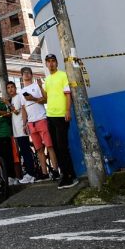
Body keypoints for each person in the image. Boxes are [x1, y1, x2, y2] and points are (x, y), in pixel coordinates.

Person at [39, 55, 79, 188]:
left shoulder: (62, 75)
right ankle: (67, 175)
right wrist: (40, 86)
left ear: (56, 63)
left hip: (62, 116)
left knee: (62, 147)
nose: (51, 64)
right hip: (50, 116)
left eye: (53, 61)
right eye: (48, 62)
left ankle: (70, 176)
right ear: (46, 64)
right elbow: (46, 98)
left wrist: (68, 110)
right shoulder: (47, 80)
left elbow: (68, 94)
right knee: (56, 147)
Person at [19, 66, 56, 181]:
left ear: (31, 74)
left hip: (42, 119)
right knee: (39, 149)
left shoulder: (37, 86)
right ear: (21, 76)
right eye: (24, 73)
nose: (26, 74)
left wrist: (33, 98)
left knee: (49, 146)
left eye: (28, 72)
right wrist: (24, 123)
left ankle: (55, 170)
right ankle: (44, 172)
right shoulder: (21, 92)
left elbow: (45, 99)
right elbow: (24, 109)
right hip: (31, 123)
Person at [6, 81, 36, 183]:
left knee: (26, 151)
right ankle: (28, 173)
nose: (10, 89)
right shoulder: (13, 99)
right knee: (23, 152)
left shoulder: (18, 97)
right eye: (8, 88)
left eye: (12, 87)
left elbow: (17, 111)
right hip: (16, 131)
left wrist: (8, 104)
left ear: (15, 88)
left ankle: (31, 174)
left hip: (22, 129)